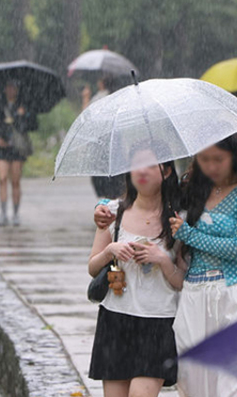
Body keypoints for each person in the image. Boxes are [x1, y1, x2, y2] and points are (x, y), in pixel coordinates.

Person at [94, 134, 237, 397]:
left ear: (235, 156)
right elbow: (151, 194)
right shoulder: (192, 189)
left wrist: (190, 235)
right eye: (203, 159)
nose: (211, 166)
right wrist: (102, 207)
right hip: (194, 296)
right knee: (195, 386)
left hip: (236, 293)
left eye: (218, 159)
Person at [88, 146, 186, 397]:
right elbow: (92, 268)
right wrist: (111, 250)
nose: (141, 171)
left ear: (165, 171)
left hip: (158, 322)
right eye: (136, 165)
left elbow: (180, 281)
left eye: (150, 165)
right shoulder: (111, 212)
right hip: (115, 319)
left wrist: (162, 259)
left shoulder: (177, 220)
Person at [0, 80, 38, 227]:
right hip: (2, 149)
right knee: (2, 178)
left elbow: (33, 125)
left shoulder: (23, 106)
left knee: (15, 181)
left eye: (14, 88)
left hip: (17, 149)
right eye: (8, 87)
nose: (11, 90)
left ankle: (15, 214)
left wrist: (21, 115)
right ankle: (3, 213)